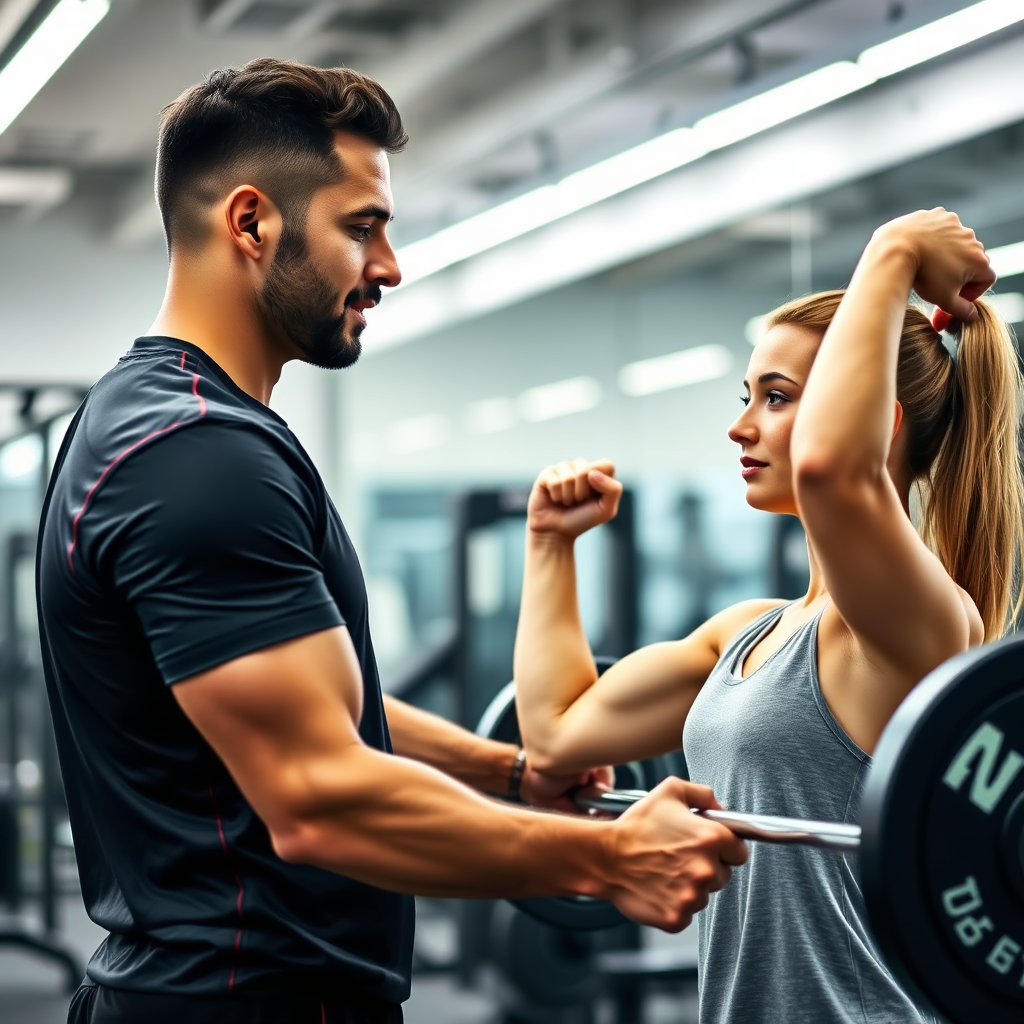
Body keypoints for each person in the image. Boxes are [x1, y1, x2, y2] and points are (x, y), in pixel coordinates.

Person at [36, 59, 747, 1024]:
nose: (389, 266)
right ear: (251, 224)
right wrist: (610, 856)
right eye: (361, 227)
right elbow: (319, 792)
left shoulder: (157, 422)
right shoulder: (197, 459)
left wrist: (507, 772)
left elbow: (319, 706)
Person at [512, 208, 1022, 1024]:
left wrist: (890, 251)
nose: (740, 425)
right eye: (747, 394)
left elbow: (831, 469)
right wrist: (548, 545)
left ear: (874, 422)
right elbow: (557, 732)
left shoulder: (922, 627)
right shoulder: (750, 632)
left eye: (777, 398)